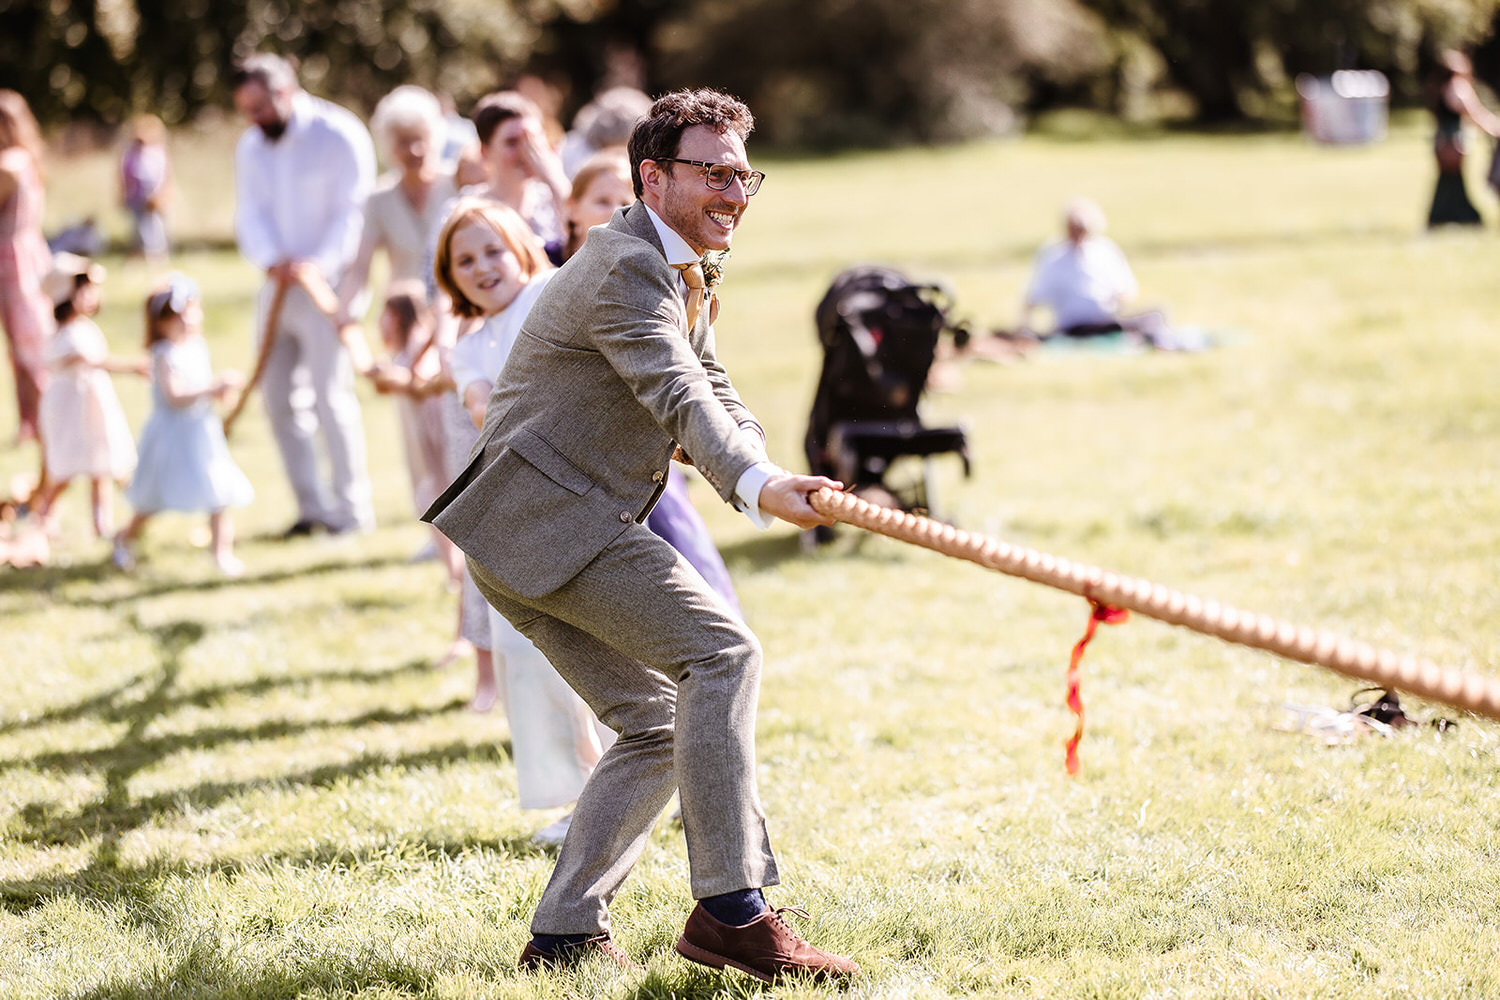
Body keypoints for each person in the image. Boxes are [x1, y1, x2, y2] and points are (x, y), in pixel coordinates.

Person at [423, 89, 859, 982]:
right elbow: (675, 392)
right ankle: (734, 911)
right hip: (548, 521)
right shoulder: (624, 265)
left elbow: (712, 381)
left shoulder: (682, 261)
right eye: (714, 173)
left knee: (657, 726)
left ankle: (565, 933)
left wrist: (771, 469)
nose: (734, 192)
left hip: (525, 531)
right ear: (652, 177)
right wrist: (757, 486)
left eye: (745, 174)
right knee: (723, 655)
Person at [434, 197, 614, 842]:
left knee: (613, 639)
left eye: (492, 250)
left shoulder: (552, 295)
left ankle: (647, 770)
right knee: (525, 651)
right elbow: (483, 404)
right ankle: (576, 794)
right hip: (519, 508)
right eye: (464, 260)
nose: (483, 267)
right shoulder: (470, 345)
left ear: (520, 248)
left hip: (591, 492)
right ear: (449, 276)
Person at [557, 151, 742, 614]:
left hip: (650, 462)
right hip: (581, 473)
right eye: (602, 200)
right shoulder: (559, 284)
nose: (616, 212)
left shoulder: (669, 276)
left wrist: (740, 443)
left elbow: (690, 371)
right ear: (571, 208)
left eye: (625, 200)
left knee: (692, 570)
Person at [231, 53, 376, 537]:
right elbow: (250, 212)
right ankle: (310, 508)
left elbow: (354, 212)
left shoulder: (339, 135)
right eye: (246, 110)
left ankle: (351, 511)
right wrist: (271, 257)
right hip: (275, 286)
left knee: (329, 396)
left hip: (328, 287)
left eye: (261, 107)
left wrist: (317, 264)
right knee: (277, 398)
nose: (255, 119)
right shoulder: (251, 146)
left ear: (286, 90)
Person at [114, 273, 253, 576]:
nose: (185, 321)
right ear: (159, 323)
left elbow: (202, 386)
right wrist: (212, 389)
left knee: (218, 493)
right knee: (152, 499)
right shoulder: (163, 355)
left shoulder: (197, 347)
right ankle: (124, 538)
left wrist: (221, 394)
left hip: (201, 435)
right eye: (176, 317)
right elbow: (174, 396)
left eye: (190, 311)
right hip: (171, 438)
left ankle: (221, 554)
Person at [33, 253, 143, 539]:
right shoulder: (67, 334)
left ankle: (101, 525)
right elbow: (92, 360)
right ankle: (43, 514)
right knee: (67, 467)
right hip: (72, 408)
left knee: (100, 465)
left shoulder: (84, 328)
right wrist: (132, 367)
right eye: (85, 289)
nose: (93, 295)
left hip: (92, 406)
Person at [338, 85, 458, 328]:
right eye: (404, 141)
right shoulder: (378, 198)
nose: (414, 150)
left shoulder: (456, 184)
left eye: (420, 139)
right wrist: (345, 312)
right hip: (406, 318)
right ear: (389, 145)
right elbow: (360, 268)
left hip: (455, 312)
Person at [366, 283, 457, 582]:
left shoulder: (420, 342)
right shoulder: (408, 345)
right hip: (422, 432)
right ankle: (452, 571)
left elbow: (421, 380)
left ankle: (455, 573)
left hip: (433, 430)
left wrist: (397, 376)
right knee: (430, 496)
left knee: (435, 495)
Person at [1019, 197, 1168, 346]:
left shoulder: (1105, 250)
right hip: (1072, 327)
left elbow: (1126, 292)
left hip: (1104, 321)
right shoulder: (1053, 255)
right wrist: (1024, 329)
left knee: (1156, 314)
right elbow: (1033, 298)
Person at [0, 89, 53, 446]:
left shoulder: (9, 165)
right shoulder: (29, 159)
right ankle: (30, 423)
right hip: (29, 253)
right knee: (22, 346)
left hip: (13, 259)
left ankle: (46, 418)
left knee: (29, 345)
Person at [466, 91, 569, 246]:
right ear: (485, 151)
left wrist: (554, 180)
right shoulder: (466, 210)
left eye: (532, 139)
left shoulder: (553, 200)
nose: (526, 151)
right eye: (512, 142)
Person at [1426, 50, 1500, 227]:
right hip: (1452, 141)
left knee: (1449, 180)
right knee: (1452, 180)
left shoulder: (1441, 86)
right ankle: (1459, 214)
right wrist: (1494, 128)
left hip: (1444, 140)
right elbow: (1474, 113)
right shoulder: (1458, 86)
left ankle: (1443, 215)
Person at [119, 114, 172, 267]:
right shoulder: (130, 152)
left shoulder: (158, 152)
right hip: (136, 196)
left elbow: (166, 175)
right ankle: (138, 259)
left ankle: (157, 259)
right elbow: (123, 174)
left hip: (155, 196)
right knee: (139, 231)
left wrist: (163, 195)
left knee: (156, 229)